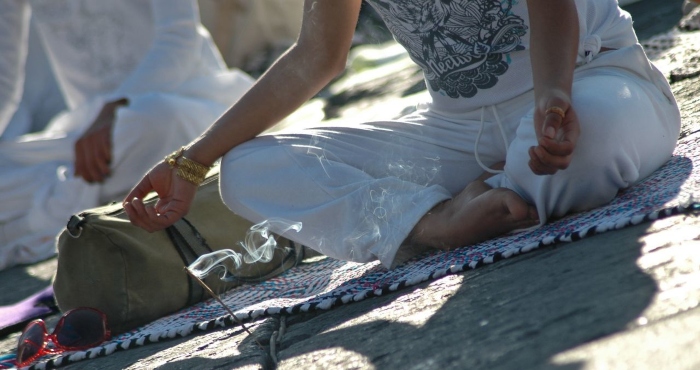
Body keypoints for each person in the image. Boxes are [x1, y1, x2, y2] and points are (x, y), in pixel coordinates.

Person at [124, 0, 681, 270]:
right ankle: (434, 223)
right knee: (244, 172)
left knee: (591, 139)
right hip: (455, 130)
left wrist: (552, 94)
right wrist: (191, 162)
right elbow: (315, 58)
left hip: (587, 82)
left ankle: (483, 202)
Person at [0, 0, 253, 271]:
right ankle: (82, 185)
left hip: (178, 103)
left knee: (154, 120)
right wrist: (99, 122)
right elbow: (5, 81)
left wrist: (116, 106)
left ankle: (62, 193)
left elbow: (180, 35)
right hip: (88, 138)